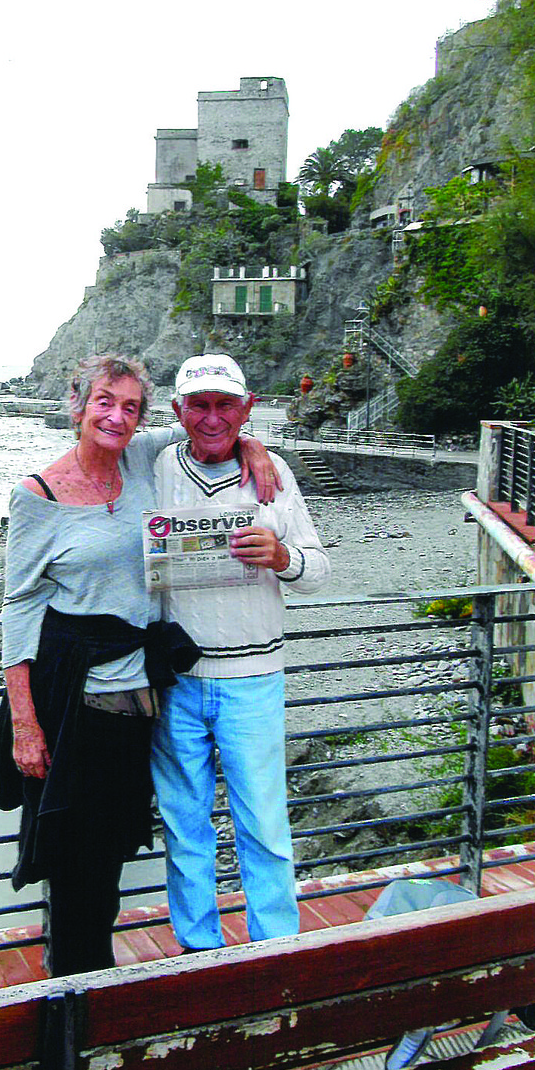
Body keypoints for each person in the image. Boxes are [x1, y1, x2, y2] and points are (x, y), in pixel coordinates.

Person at [0, 354, 278, 976]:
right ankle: (75, 997)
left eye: (130, 407)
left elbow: (208, 424)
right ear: (77, 405)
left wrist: (252, 446)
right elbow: (17, 608)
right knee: (73, 857)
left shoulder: (140, 459)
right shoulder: (37, 495)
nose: (116, 417)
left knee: (114, 844)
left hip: (137, 696)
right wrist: (25, 725)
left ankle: (92, 982)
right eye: (103, 402)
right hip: (71, 696)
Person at [151, 354, 331, 951]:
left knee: (265, 825)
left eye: (225, 404)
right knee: (184, 825)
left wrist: (283, 557)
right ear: (176, 410)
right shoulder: (154, 466)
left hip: (254, 678)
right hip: (176, 681)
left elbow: (319, 570)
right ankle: (197, 950)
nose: (211, 417)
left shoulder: (273, 471)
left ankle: (274, 951)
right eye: (198, 404)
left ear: (247, 408)